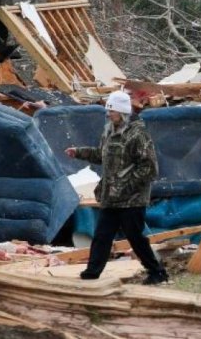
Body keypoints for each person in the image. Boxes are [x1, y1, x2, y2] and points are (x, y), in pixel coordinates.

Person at [65, 91, 168, 285]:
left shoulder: (138, 134)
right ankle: (92, 273)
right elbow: (102, 155)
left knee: (135, 237)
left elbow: (149, 168)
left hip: (132, 199)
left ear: (122, 111)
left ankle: (157, 271)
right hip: (111, 196)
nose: (107, 114)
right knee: (102, 235)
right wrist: (79, 152)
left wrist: (127, 186)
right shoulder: (109, 131)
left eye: (111, 110)